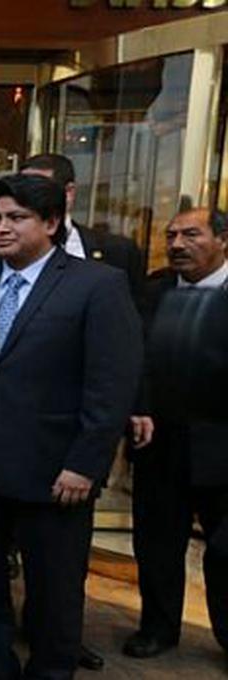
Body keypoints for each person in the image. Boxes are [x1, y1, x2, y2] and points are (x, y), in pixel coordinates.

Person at [0, 173, 142, 679]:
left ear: (50, 222)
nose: (1, 228)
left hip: (55, 474)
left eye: (16, 218)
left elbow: (110, 386)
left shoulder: (97, 285)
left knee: (53, 593)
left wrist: (85, 465)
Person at [124, 207, 228, 662]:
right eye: (171, 235)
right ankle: (157, 628)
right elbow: (132, 360)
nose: (178, 244)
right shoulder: (152, 291)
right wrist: (138, 407)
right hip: (160, 444)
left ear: (223, 240)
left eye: (192, 234)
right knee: (157, 544)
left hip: (223, 449)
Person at [21, 153, 144, 303]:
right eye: (22, 192)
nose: (28, 199)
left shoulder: (119, 252)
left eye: (39, 190)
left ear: (69, 193)